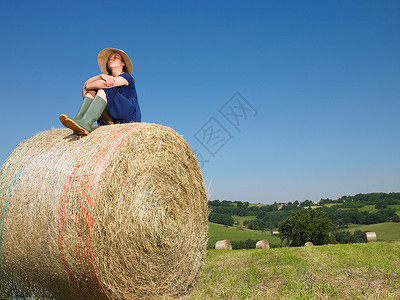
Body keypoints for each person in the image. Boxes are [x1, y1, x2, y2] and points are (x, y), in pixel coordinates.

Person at [60, 48, 141, 135]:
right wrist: (101, 76)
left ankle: (86, 122)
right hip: (113, 118)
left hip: (129, 116)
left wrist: (87, 86)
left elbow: (103, 85)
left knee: (103, 89)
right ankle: (80, 119)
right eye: (110, 58)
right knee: (92, 90)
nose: (111, 59)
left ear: (123, 63)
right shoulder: (106, 77)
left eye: (115, 57)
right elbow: (86, 83)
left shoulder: (126, 76)